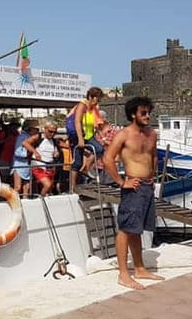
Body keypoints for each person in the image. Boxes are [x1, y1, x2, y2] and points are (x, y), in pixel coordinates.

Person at [103, 96, 165, 290]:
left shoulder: (151, 133)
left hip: (147, 186)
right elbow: (107, 159)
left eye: (149, 112)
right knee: (125, 228)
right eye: (143, 113)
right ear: (133, 115)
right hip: (133, 186)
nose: (147, 116)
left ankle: (139, 268)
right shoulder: (124, 135)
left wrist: (153, 176)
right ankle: (123, 274)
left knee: (136, 229)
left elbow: (153, 156)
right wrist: (122, 182)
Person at [66, 87, 104, 192]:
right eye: (97, 99)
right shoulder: (82, 105)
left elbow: (97, 125)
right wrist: (80, 139)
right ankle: (72, 187)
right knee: (77, 162)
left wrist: (103, 138)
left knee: (100, 149)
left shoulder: (93, 108)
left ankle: (86, 168)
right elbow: (77, 122)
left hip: (89, 135)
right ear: (91, 97)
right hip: (79, 136)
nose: (98, 102)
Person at [26, 120, 60, 197]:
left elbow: (64, 146)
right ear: (45, 129)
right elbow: (25, 143)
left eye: (55, 132)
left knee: (50, 187)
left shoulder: (54, 141)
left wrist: (57, 154)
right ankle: (41, 199)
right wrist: (35, 152)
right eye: (50, 131)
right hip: (38, 166)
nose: (52, 134)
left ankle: (43, 198)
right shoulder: (39, 137)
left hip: (49, 168)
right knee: (47, 185)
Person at [11, 119, 39, 197]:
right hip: (19, 165)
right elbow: (17, 152)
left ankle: (25, 201)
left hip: (27, 165)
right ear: (29, 129)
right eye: (36, 129)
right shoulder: (21, 137)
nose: (37, 131)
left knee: (27, 187)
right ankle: (12, 201)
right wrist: (28, 154)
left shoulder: (30, 137)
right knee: (18, 187)